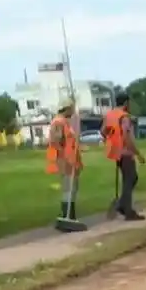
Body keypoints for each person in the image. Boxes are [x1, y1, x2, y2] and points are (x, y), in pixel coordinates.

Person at [101, 93, 146, 220]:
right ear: (126, 103)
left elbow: (103, 131)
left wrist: (112, 140)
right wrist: (138, 154)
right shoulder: (124, 117)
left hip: (116, 152)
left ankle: (123, 205)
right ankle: (126, 208)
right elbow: (127, 138)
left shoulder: (110, 115)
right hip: (125, 152)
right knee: (130, 179)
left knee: (130, 178)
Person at [46, 98, 87, 231]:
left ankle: (69, 215)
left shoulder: (64, 122)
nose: (73, 111)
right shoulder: (59, 122)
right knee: (69, 189)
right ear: (67, 108)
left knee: (71, 189)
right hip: (66, 161)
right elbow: (56, 141)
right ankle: (67, 216)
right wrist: (66, 156)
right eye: (71, 109)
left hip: (70, 160)